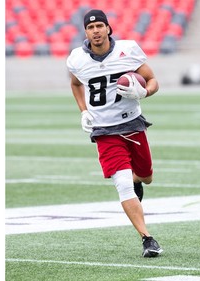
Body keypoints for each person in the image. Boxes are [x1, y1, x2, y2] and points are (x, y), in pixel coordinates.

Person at [66, 9, 163, 258]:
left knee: (146, 176)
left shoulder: (128, 50)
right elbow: (76, 83)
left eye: (100, 25)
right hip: (104, 130)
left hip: (132, 124)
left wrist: (144, 92)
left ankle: (136, 179)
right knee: (122, 185)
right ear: (85, 32)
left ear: (108, 28)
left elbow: (152, 80)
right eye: (90, 27)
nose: (96, 31)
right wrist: (83, 111)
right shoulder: (77, 58)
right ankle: (147, 238)